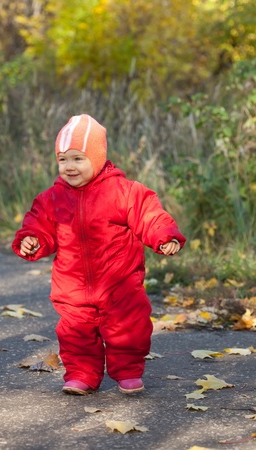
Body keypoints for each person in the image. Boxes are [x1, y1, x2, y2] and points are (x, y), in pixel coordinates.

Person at [12, 114, 186, 395]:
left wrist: (164, 236)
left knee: (128, 327)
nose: (69, 166)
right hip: (72, 285)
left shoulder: (124, 192)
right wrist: (32, 239)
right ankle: (81, 374)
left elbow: (149, 216)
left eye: (78, 159)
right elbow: (38, 224)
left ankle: (128, 371)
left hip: (120, 283)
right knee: (75, 333)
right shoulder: (51, 199)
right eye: (63, 159)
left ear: (98, 157)